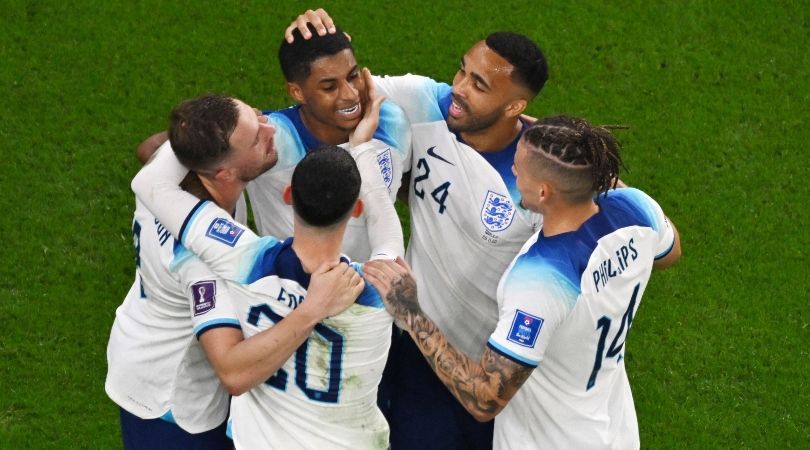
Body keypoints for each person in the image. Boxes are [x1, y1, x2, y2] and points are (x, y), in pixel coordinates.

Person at [288, 10, 548, 448]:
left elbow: (649, 241)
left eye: (479, 85)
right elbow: (341, 91)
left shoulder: (539, 175)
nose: (459, 90)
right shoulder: (427, 100)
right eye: (463, 71)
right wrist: (316, 40)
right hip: (417, 345)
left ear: (515, 106)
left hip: (493, 363)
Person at [364, 116, 682, 450]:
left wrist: (411, 311)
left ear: (544, 191)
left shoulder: (538, 280)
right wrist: (579, 160)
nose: (513, 173)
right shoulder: (636, 209)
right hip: (614, 430)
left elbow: (484, 399)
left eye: (519, 168)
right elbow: (670, 251)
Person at [131, 88, 402, 449]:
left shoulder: (241, 259)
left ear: (289, 197)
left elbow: (148, 183)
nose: (269, 128)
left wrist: (192, 129)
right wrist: (364, 148)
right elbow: (386, 231)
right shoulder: (379, 289)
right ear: (356, 209)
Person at [137, 22, 410, 263]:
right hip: (290, 294)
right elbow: (150, 147)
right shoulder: (271, 139)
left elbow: (405, 177)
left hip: (366, 291)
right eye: (329, 87)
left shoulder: (393, 121)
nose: (350, 95)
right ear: (296, 92)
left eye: (352, 76)